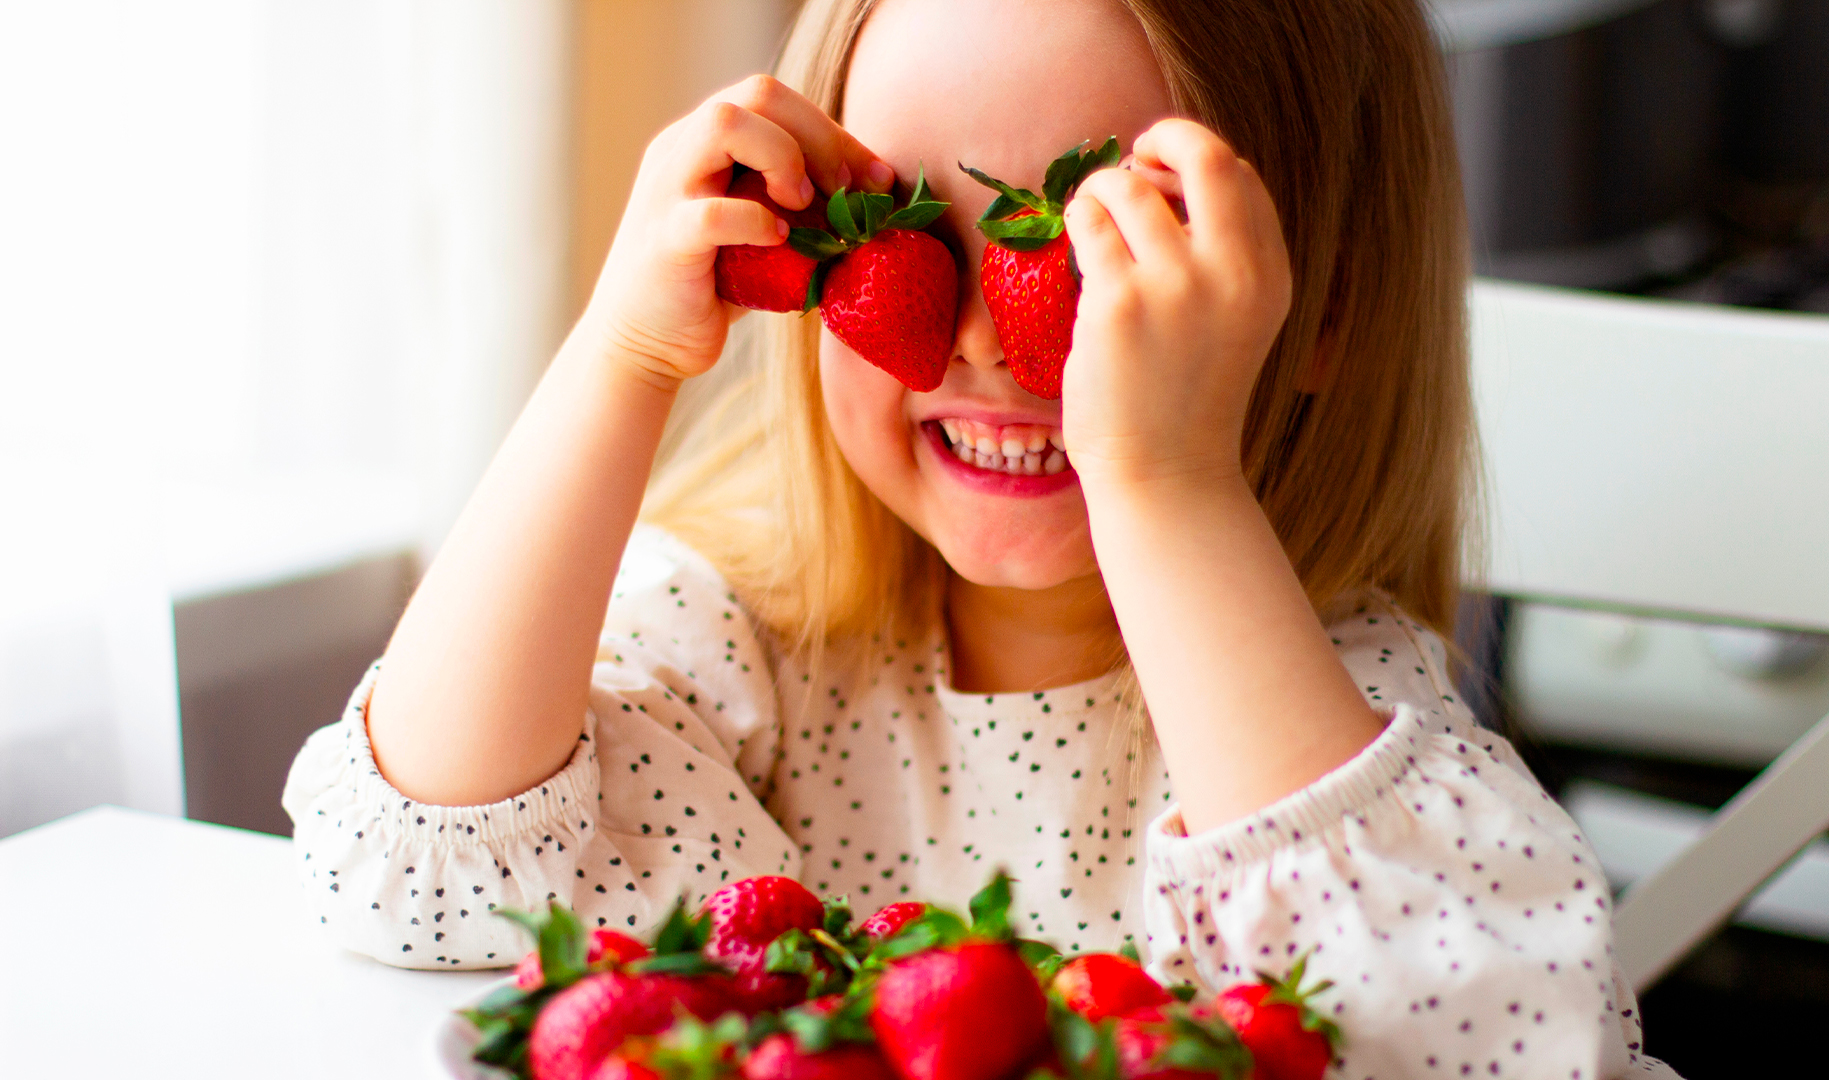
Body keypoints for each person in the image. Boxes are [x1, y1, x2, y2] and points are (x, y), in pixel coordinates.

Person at [284, 1, 1675, 1075]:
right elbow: (413, 869)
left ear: (1319, 313)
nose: (979, 346)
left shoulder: (1324, 714)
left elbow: (1491, 1038)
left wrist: (1166, 473)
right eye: (896, 240)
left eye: (1104, 264)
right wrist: (624, 352)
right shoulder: (741, 631)